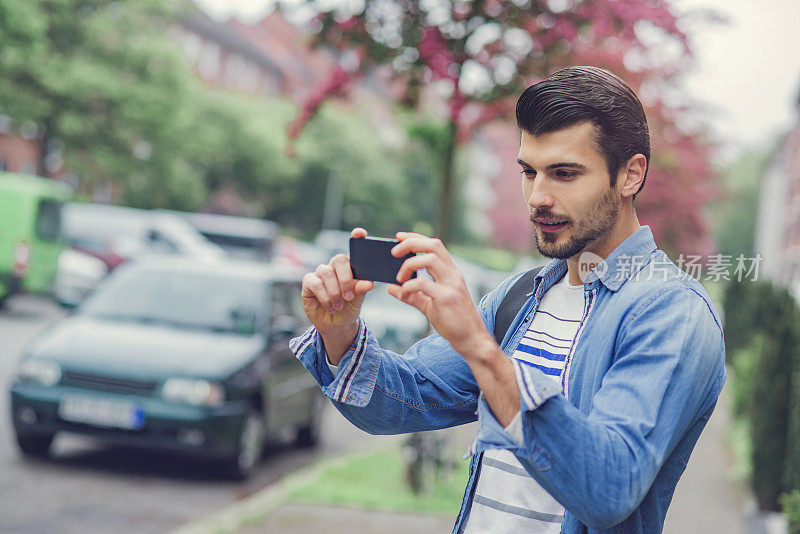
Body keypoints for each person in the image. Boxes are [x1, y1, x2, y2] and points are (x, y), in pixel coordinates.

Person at [292, 66, 726, 534]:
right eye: (529, 171)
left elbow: (608, 488)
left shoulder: (672, 313)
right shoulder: (521, 296)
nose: (537, 197)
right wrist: (339, 331)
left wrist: (479, 347)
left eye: (564, 174)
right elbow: (403, 403)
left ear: (630, 175)